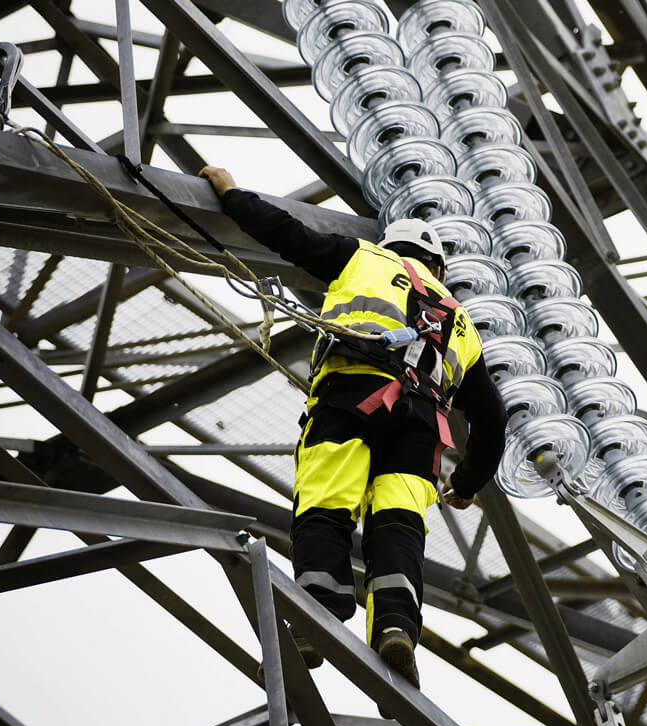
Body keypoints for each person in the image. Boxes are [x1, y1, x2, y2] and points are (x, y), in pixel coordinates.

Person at [200, 165, 505, 690]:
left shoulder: (363, 257)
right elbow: (493, 420)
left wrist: (230, 194)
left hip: (353, 397)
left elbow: (287, 235)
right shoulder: (464, 324)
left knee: (326, 504)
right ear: (438, 266)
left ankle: (316, 615)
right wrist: (469, 482)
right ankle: (396, 628)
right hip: (423, 430)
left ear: (394, 247)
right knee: (400, 527)